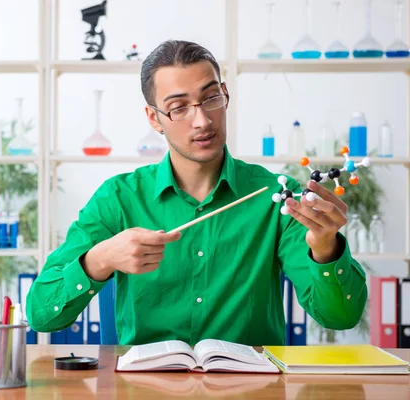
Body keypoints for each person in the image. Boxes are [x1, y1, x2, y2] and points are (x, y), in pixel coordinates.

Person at [26, 40, 368, 346]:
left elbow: (340, 318)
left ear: (226, 96)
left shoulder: (276, 195)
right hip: (143, 389)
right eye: (178, 107)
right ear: (154, 119)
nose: (202, 120)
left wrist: (325, 248)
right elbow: (42, 315)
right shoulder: (118, 198)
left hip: (251, 390)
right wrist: (100, 260)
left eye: (211, 98)